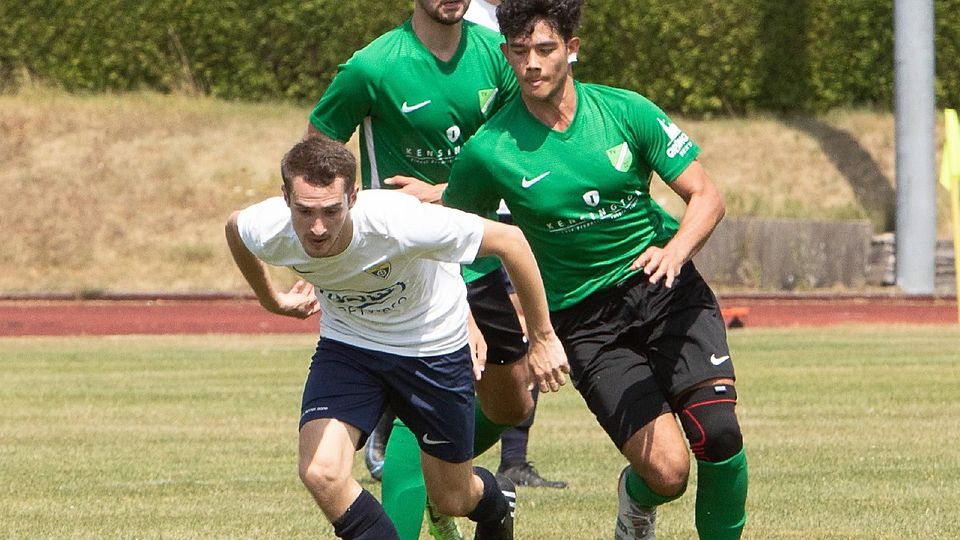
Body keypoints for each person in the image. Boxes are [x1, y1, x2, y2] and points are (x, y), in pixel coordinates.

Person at [443, 1, 749, 538]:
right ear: (507, 55)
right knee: (668, 473)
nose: (532, 64)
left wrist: (674, 251)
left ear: (572, 50)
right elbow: (457, 241)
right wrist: (477, 317)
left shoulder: (625, 111)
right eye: (519, 52)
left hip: (667, 290)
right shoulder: (489, 150)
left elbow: (706, 195)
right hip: (586, 323)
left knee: (718, 434)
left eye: (545, 49)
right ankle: (636, 500)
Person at [306, 0, 567, 536]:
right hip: (408, 263)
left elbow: (517, 146)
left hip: (477, 249)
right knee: (423, 396)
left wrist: (447, 194)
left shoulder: (497, 57)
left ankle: (446, 479)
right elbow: (317, 153)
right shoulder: (372, 67)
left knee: (511, 399)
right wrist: (331, 234)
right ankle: (411, 462)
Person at [224, 136, 568, 539]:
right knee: (320, 471)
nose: (317, 228)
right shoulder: (268, 227)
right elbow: (235, 229)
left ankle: (497, 500)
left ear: (353, 196)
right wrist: (272, 300)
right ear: (286, 198)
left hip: (431, 348)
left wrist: (543, 338)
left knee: (452, 498)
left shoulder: (400, 223)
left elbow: (511, 242)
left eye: (331, 211)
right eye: (305, 211)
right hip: (349, 346)